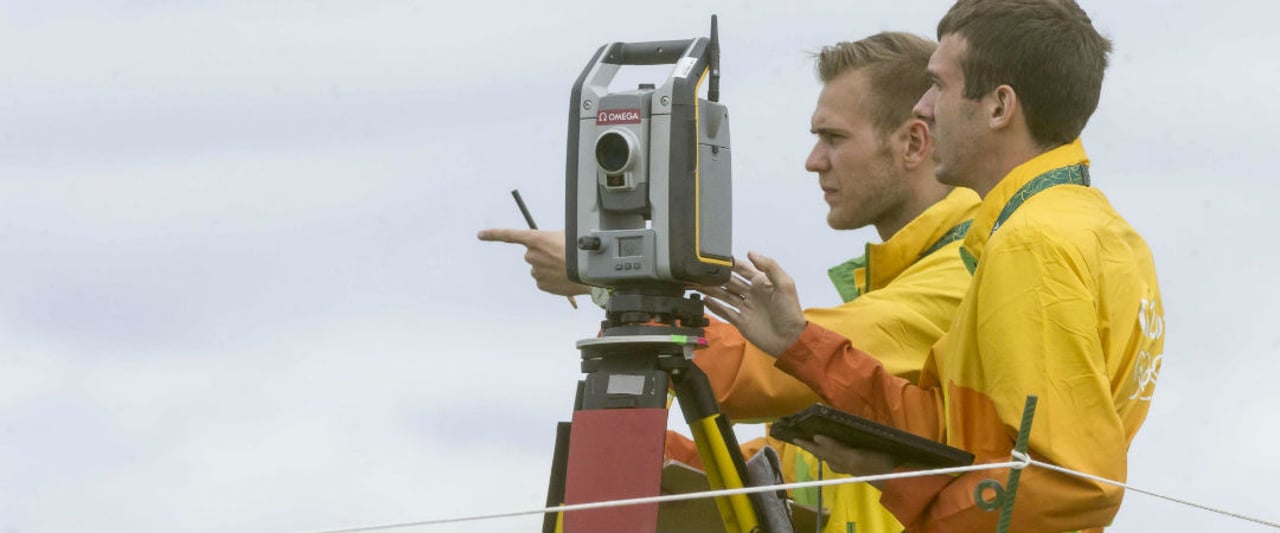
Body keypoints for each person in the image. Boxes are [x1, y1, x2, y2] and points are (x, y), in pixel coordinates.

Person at [480, 32, 980, 533]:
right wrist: (638, 454)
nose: (814, 160)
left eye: (834, 138)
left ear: (913, 142)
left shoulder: (964, 270)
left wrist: (606, 274)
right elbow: (795, 464)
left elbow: (775, 368)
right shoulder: (893, 283)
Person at [703, 1, 1165, 532]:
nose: (922, 108)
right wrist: (798, 344)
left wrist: (907, 484)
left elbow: (1067, 484)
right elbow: (957, 430)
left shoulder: (1032, 243)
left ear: (999, 107)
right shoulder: (1104, 234)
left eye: (939, 86)